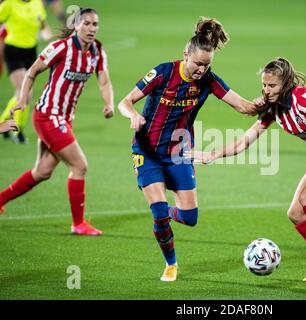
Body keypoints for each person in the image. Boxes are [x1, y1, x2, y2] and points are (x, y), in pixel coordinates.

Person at [188, 57, 306, 282]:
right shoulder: (273, 109)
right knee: (296, 214)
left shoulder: (305, 99)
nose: (267, 91)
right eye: (264, 86)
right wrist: (212, 155)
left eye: (272, 86)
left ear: (286, 82)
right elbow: (244, 142)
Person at [118, 17, 260, 282]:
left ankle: (165, 213)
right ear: (185, 55)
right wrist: (132, 116)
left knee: (190, 217)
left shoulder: (208, 80)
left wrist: (264, 101)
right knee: (159, 212)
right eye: (198, 64)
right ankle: (171, 263)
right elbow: (124, 101)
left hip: (179, 153)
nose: (201, 70)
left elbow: (242, 106)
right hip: (147, 151)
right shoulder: (163, 72)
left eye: (207, 66)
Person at [0, 8, 115, 236]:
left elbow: (104, 81)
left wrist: (109, 103)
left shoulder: (98, 51)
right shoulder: (61, 47)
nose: (92, 29)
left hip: (64, 118)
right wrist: (23, 99)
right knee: (80, 166)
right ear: (76, 25)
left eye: (95, 24)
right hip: (47, 115)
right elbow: (32, 72)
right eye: (87, 24)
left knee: (42, 172)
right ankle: (78, 223)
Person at [0, 0, 54, 144]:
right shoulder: (9, 4)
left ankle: (3, 121)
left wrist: (48, 36)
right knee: (25, 94)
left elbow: (43, 24)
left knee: (22, 94)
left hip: (31, 52)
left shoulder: (37, 3)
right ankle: (18, 132)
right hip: (13, 51)